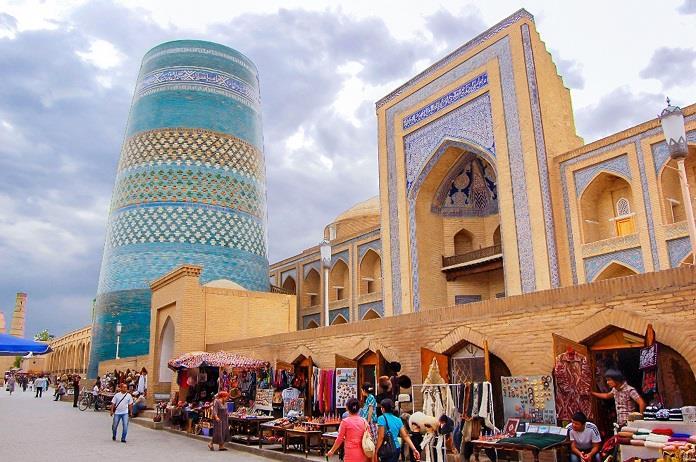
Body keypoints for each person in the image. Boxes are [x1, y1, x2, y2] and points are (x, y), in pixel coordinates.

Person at [327, 397, 369, 461]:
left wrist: (332, 450)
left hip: (350, 453)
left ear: (347, 408)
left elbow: (339, 438)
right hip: (363, 452)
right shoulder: (364, 421)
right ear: (359, 409)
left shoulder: (345, 422)